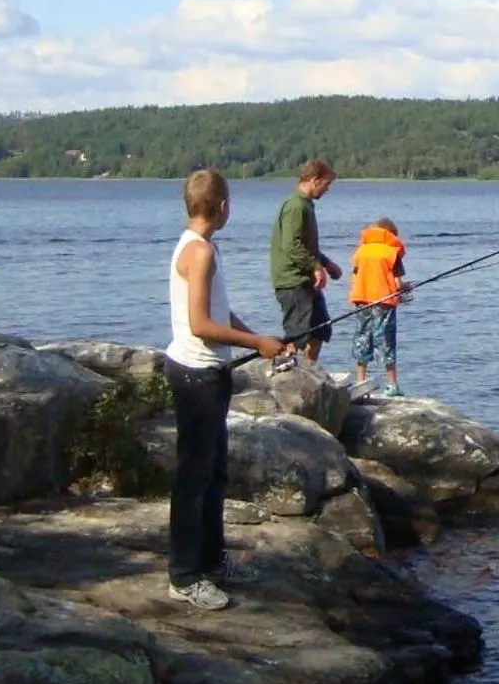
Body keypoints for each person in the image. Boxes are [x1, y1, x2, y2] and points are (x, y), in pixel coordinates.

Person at [166, 168, 285, 611]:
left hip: (209, 375)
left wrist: (260, 339)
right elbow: (200, 325)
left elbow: (219, 313)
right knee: (193, 479)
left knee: (214, 475)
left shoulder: (201, 246)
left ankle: (212, 561)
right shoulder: (199, 253)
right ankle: (183, 577)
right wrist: (256, 344)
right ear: (222, 206)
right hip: (196, 377)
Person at [271, 158, 344, 367]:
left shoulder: (306, 206)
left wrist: (326, 263)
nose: (328, 189)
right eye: (326, 183)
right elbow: (291, 245)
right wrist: (315, 266)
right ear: (314, 179)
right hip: (292, 281)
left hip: (306, 280)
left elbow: (306, 245)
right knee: (298, 334)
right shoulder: (295, 206)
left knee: (320, 328)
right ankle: (286, 371)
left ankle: (309, 371)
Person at [348, 216, 411, 395]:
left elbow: (354, 277)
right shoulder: (391, 253)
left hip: (361, 300)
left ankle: (360, 380)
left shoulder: (361, 251)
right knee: (386, 340)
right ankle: (392, 385)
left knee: (362, 338)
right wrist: (406, 287)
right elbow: (397, 284)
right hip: (384, 302)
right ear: (390, 234)